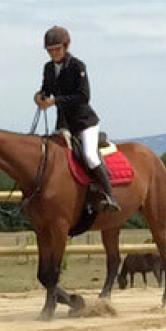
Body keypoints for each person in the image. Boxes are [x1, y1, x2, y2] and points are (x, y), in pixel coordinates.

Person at [34, 25, 121, 213]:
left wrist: (55, 100)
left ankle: (109, 195)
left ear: (65, 47)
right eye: (50, 50)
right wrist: (40, 96)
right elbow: (46, 88)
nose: (53, 53)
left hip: (84, 123)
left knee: (89, 155)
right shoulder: (48, 68)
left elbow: (83, 96)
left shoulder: (77, 66)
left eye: (57, 49)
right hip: (64, 124)